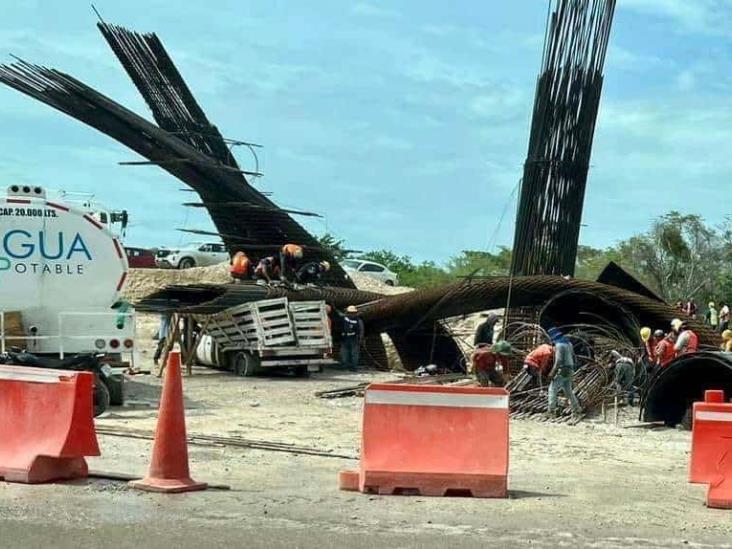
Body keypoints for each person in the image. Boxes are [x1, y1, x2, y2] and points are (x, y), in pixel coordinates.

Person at [546, 328, 582, 417]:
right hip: (570, 368)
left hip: (563, 369)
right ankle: (577, 409)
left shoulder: (559, 345)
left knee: (552, 389)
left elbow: (558, 361)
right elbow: (573, 356)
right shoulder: (569, 344)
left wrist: (552, 372)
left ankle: (551, 411)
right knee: (568, 390)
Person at [339, 305, 364, 371]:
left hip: (353, 338)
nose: (352, 314)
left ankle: (353, 366)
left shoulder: (358, 321)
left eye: (352, 313)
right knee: (345, 353)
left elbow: (361, 330)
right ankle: (346, 366)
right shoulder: (344, 319)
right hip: (346, 338)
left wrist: (360, 339)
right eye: (350, 313)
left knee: (353, 353)